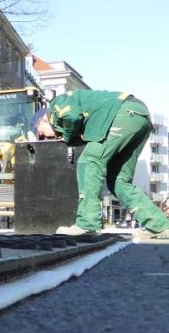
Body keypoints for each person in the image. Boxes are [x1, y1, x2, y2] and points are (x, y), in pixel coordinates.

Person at [33, 90, 169, 241]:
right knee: (118, 181)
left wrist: (67, 136)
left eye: (43, 134)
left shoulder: (57, 105)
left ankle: (87, 224)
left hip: (122, 114)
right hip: (139, 118)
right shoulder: (81, 115)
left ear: (43, 120)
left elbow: (71, 116)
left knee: (89, 161)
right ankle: (160, 225)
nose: (47, 138)